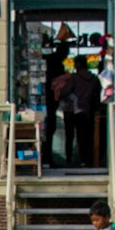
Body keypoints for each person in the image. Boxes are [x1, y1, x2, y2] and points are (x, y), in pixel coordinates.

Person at [41, 23, 70, 166]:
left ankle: (46, 157)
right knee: (48, 129)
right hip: (50, 100)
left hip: (48, 100)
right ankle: (47, 157)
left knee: (47, 130)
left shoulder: (49, 60)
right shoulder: (57, 63)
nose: (67, 56)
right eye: (66, 53)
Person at [65, 55, 102, 168]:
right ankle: (85, 160)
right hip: (86, 111)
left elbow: (66, 92)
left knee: (69, 136)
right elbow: (97, 96)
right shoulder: (94, 79)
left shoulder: (74, 78)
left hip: (72, 110)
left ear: (78, 65)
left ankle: (69, 160)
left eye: (75, 64)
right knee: (85, 137)